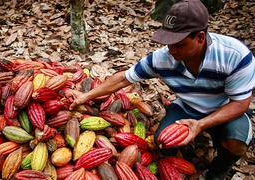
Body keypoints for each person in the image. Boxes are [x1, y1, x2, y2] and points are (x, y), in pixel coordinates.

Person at [69, 0, 255, 179]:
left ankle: (216, 173)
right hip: (186, 107)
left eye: (179, 44)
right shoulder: (163, 58)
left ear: (200, 37)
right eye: (168, 43)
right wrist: (86, 96)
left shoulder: (235, 56)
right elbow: (123, 79)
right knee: (162, 143)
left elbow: (240, 103)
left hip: (224, 108)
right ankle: (190, 148)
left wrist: (201, 125)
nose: (172, 51)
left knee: (236, 144)